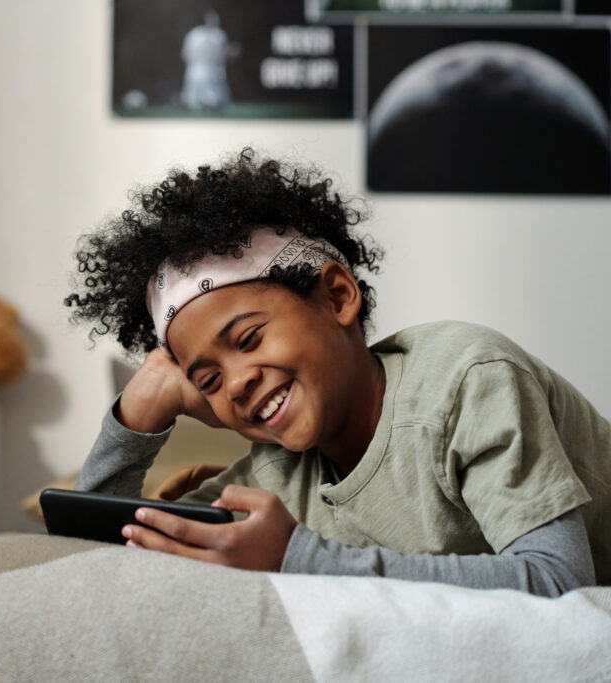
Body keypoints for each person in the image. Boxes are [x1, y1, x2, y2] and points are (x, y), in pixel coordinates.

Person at [64, 148, 609, 596]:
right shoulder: (277, 469)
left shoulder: (466, 381)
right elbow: (99, 559)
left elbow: (561, 582)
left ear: (337, 296)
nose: (235, 382)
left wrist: (298, 557)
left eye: (249, 338)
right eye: (207, 380)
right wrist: (138, 416)